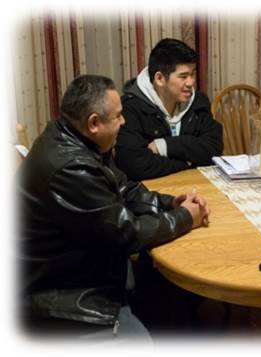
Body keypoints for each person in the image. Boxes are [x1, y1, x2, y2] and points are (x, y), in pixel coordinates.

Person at [17, 75, 210, 341]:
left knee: (176, 292)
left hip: (85, 264)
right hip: (64, 293)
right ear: (94, 123)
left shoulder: (75, 137)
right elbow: (126, 233)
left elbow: (123, 187)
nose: (124, 122)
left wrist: (169, 202)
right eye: (118, 116)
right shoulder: (71, 168)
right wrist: (185, 217)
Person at [115, 38, 223, 181]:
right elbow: (134, 165)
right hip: (150, 195)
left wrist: (165, 146)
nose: (191, 82)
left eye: (193, 74)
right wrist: (185, 163)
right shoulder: (130, 108)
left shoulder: (198, 101)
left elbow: (214, 148)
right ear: (159, 78)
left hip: (195, 186)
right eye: (183, 76)